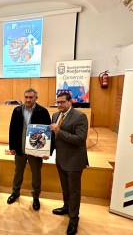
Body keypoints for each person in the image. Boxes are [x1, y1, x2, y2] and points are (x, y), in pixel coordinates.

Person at [49, 92, 89, 235]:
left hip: (74, 160)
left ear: (70, 102)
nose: (59, 105)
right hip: (60, 158)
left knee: (74, 191)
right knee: (65, 187)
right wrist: (46, 151)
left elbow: (80, 139)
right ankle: (66, 207)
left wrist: (58, 130)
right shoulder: (55, 115)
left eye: (62, 102)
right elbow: (54, 138)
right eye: (57, 102)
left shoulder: (80, 116)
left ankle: (73, 218)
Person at [7, 88, 52, 211]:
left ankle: (36, 197)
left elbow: (48, 133)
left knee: (36, 174)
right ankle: (15, 192)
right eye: (26, 97)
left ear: (36, 98)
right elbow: (12, 130)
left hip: (36, 151)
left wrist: (45, 151)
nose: (28, 99)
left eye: (31, 97)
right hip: (20, 148)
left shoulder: (43, 111)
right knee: (18, 172)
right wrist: (12, 147)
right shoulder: (16, 110)